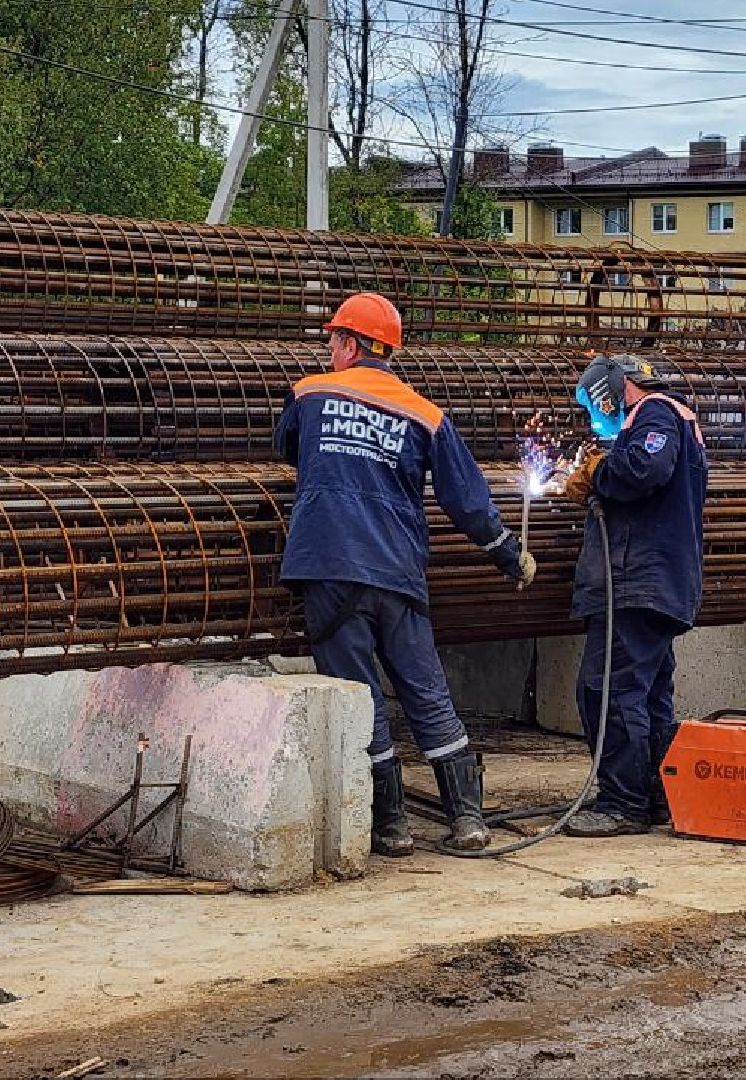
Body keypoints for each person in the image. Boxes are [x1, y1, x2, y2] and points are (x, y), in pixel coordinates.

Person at [275, 291, 535, 856]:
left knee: (360, 696)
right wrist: (507, 551)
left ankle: (389, 827)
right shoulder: (425, 414)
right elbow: (466, 499)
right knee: (427, 693)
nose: (330, 348)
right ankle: (467, 819)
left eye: (333, 339)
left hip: (328, 568)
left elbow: (292, 451)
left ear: (350, 344)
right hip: (396, 572)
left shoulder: (309, 393)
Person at [557, 354, 708, 837]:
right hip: (657, 583)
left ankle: (623, 804)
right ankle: (657, 797)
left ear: (615, 388)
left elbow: (644, 469)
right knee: (648, 697)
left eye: (593, 404)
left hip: (637, 582)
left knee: (608, 692)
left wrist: (597, 474)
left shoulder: (657, 412)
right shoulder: (674, 416)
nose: (593, 415)